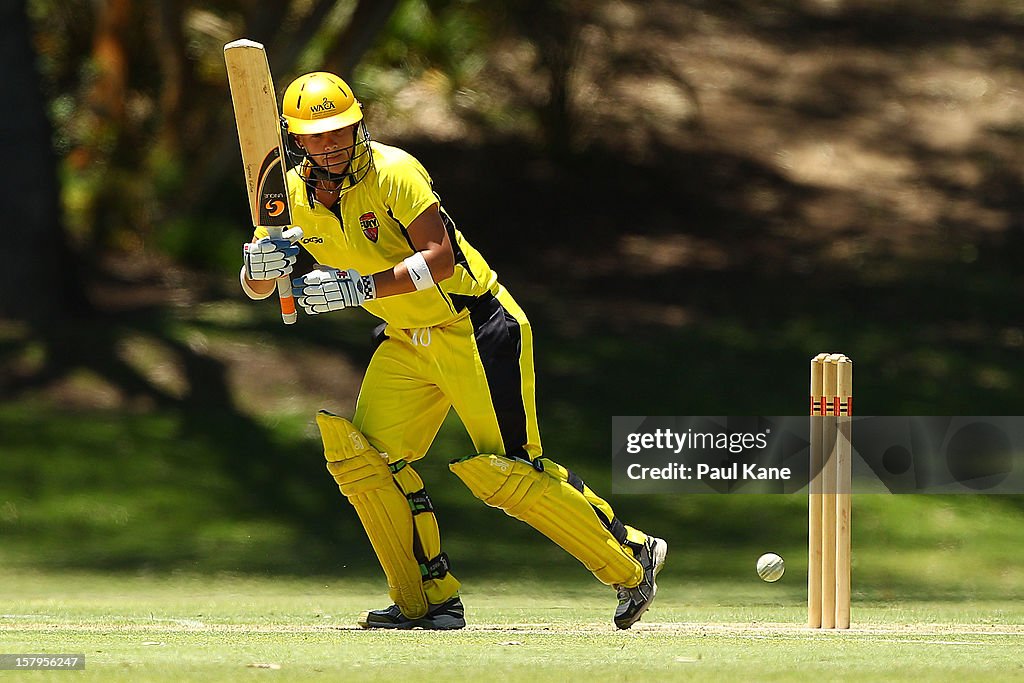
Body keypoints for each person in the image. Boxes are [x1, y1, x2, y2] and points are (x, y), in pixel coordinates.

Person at [240, 71, 667, 630]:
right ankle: (428, 600)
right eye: (318, 136)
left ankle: (630, 556)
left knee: (508, 473)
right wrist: (257, 269)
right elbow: (264, 286)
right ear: (296, 140)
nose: (333, 144)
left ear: (359, 122)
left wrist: (358, 287)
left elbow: (440, 257)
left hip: (474, 325)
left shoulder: (396, 172)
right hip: (404, 340)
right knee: (367, 463)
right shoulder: (289, 195)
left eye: (341, 130)